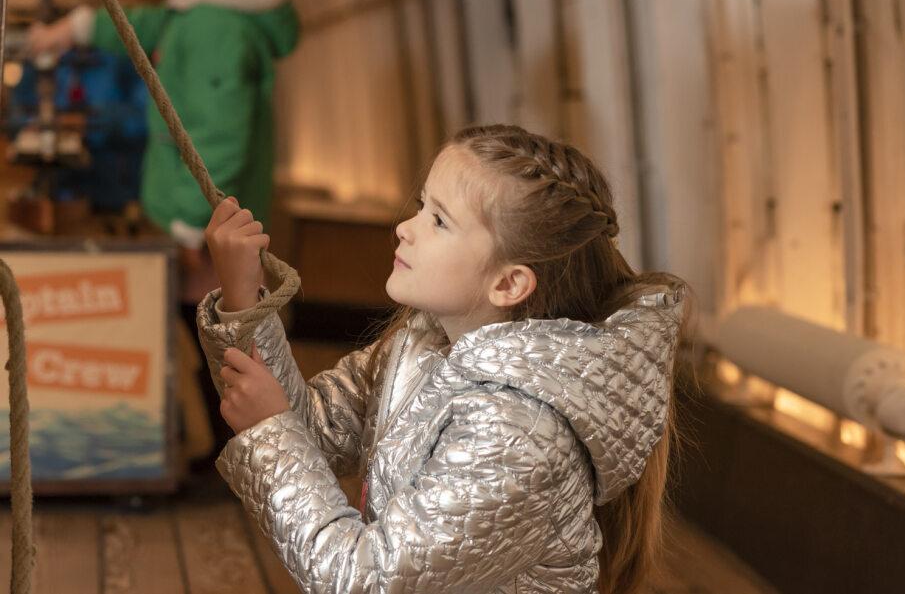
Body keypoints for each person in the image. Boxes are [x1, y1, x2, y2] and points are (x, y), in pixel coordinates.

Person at [199, 125, 687, 593]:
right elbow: (312, 431)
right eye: (421, 206)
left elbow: (360, 579)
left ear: (509, 284)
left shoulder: (521, 434)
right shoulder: (424, 345)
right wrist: (244, 297)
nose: (404, 229)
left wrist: (270, 430)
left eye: (439, 220)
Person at [28, 0, 300, 456]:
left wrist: (189, 224)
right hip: (213, 220)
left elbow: (220, 138)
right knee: (212, 333)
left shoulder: (214, 28)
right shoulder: (207, 15)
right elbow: (151, 26)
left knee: (228, 341)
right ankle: (229, 447)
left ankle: (251, 454)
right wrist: (79, 28)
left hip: (209, 223)